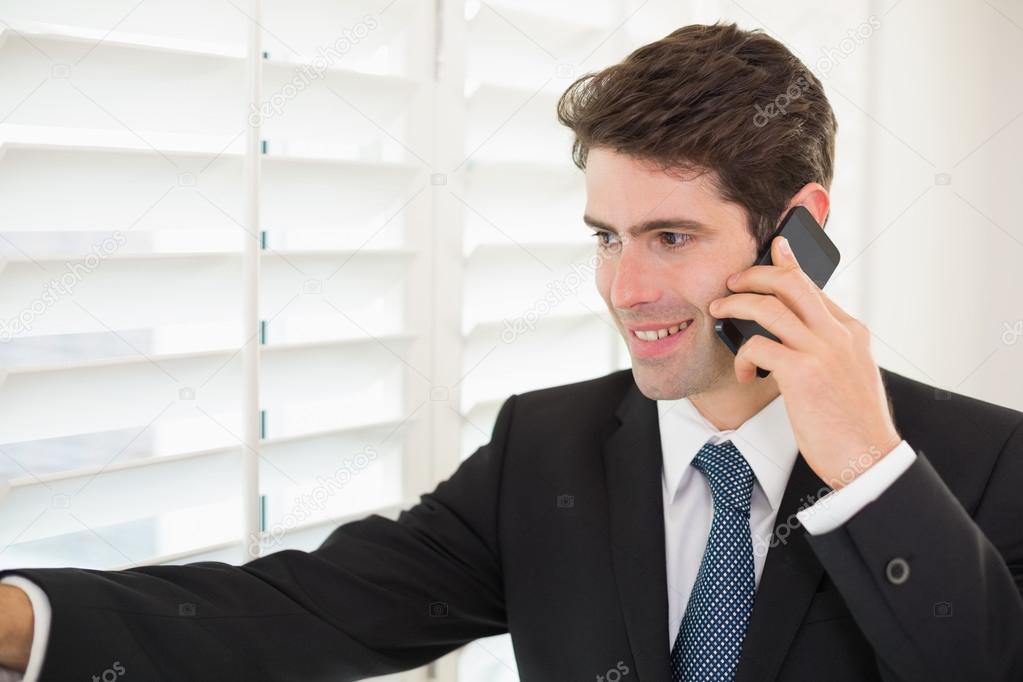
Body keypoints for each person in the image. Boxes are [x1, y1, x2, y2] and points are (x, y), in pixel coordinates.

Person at [1, 21, 1021, 681]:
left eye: (671, 237)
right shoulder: (546, 452)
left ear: (797, 228)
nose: (625, 291)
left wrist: (871, 475)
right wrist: (14, 619)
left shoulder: (984, 466)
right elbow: (296, 611)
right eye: (606, 238)